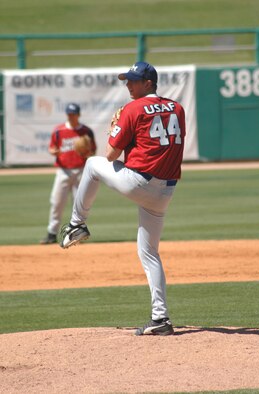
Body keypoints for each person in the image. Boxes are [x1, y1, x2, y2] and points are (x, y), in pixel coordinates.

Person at [60, 62, 186, 336]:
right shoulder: (177, 108)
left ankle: (76, 223)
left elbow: (110, 156)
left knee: (93, 165)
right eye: (127, 80)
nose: (128, 84)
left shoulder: (133, 108)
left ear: (149, 83)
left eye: (134, 80)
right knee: (149, 253)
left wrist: (115, 127)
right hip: (165, 192)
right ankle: (160, 319)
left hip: (139, 182)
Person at [40, 103, 97, 244]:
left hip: (81, 171)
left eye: (73, 114)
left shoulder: (86, 131)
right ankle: (52, 233)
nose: (71, 116)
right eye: (69, 114)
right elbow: (52, 148)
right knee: (57, 202)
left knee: (79, 204)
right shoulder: (59, 131)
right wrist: (53, 152)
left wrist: (86, 151)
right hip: (63, 170)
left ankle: (78, 233)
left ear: (78, 115)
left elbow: (93, 151)